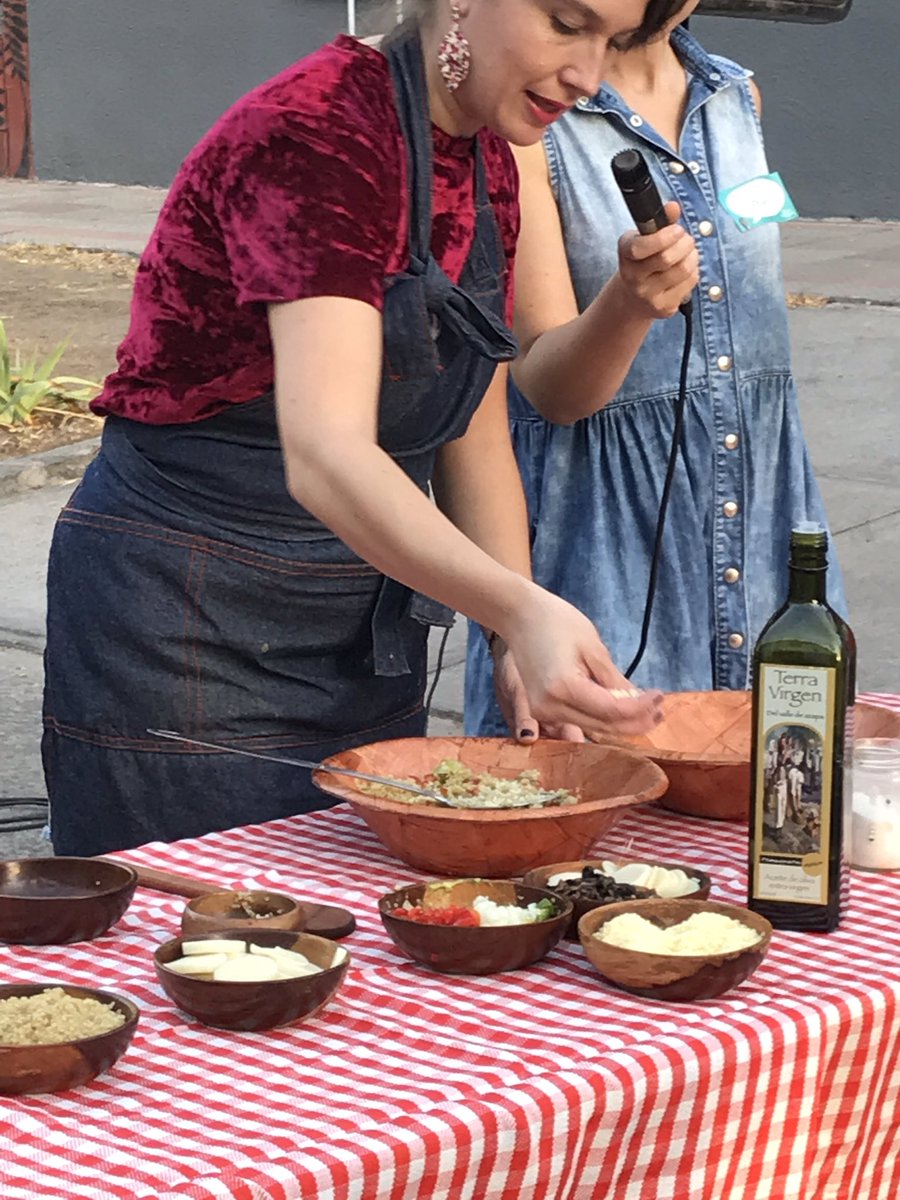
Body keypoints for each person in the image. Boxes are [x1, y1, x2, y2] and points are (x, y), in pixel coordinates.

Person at [42, 0, 691, 856]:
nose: (589, 74)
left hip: (360, 634)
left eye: (611, 41)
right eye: (566, 23)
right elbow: (327, 451)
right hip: (187, 631)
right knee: (212, 956)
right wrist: (522, 609)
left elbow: (473, 428)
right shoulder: (315, 132)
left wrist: (507, 638)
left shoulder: (486, 158)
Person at [465, 1, 846, 735]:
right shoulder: (538, 122)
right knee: (600, 820)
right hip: (606, 557)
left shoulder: (738, 97)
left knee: (778, 810)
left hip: (763, 535)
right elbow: (546, 389)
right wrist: (628, 305)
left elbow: (751, 341)